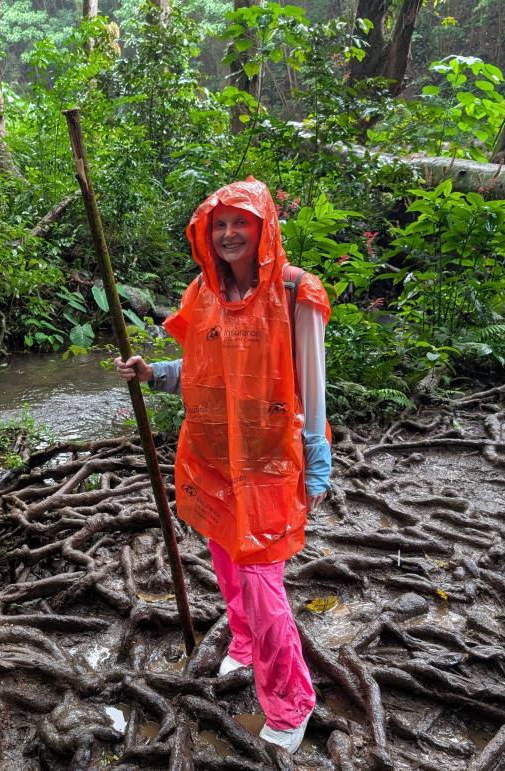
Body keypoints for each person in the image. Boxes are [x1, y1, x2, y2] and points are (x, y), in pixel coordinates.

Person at [113, 178, 331, 754]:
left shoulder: (293, 293)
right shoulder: (203, 294)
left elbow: (313, 382)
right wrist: (151, 373)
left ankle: (291, 701)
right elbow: (202, 370)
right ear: (206, 233)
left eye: (241, 222)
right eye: (219, 224)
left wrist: (316, 462)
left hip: (269, 464)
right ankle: (241, 645)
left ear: (263, 228)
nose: (230, 233)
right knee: (226, 560)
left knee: (262, 584)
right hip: (212, 456)